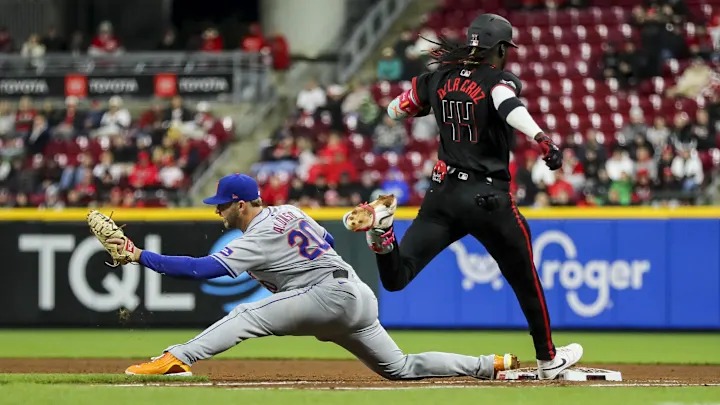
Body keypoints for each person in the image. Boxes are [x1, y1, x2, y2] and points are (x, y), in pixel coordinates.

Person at [342, 14, 583, 380]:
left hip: (443, 194)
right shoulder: (497, 80)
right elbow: (507, 105)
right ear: (500, 48)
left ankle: (383, 234)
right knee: (524, 279)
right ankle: (548, 360)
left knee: (397, 276)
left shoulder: (436, 78)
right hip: (487, 198)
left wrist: (429, 103)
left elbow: (394, 110)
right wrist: (541, 138)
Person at [105, 173, 519, 379]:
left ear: (242, 205)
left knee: (245, 317)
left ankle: (178, 357)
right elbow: (323, 241)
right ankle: (490, 364)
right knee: (401, 368)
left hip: (327, 295)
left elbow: (203, 269)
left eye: (223, 204)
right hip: (356, 293)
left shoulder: (259, 231)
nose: (217, 210)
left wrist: (139, 255)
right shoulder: (290, 212)